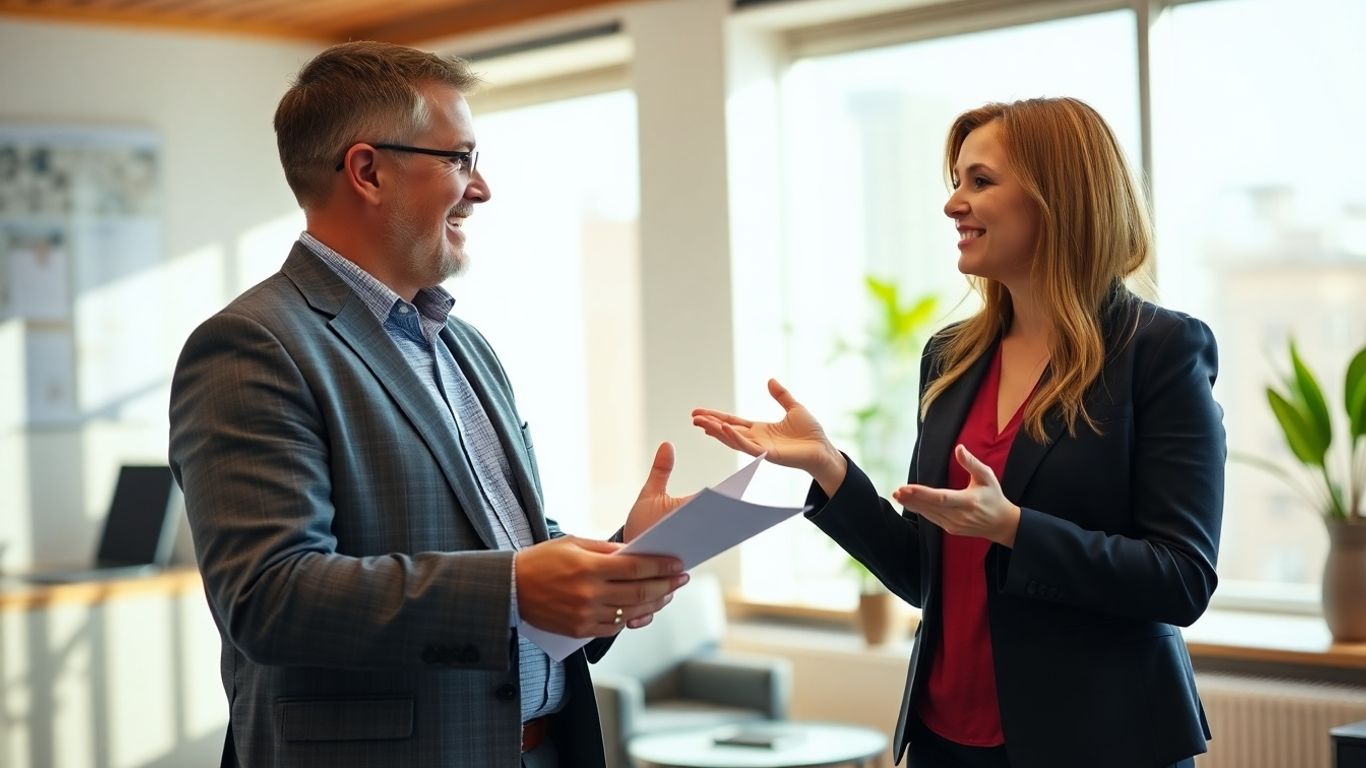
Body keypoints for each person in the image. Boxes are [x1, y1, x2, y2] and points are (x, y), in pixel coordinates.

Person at [169, 41, 692, 768]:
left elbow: (515, 547)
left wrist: (619, 559)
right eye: (459, 159)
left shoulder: (466, 347)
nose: (480, 189)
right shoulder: (251, 345)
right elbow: (268, 596)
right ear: (368, 170)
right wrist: (512, 589)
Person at [693, 97, 1224, 768]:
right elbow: (926, 574)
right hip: (947, 741)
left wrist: (1015, 529)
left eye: (980, 181)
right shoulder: (951, 358)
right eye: (956, 182)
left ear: (1057, 196)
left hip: (1100, 743)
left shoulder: (1160, 349)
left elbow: (1181, 581)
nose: (952, 204)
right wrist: (829, 469)